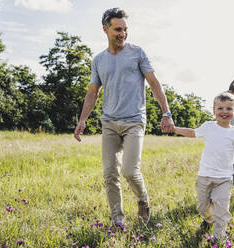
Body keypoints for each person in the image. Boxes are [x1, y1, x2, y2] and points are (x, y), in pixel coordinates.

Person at [74, 8, 174, 225]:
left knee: (129, 170)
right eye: (118, 29)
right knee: (110, 173)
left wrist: (166, 113)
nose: (122, 33)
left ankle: (143, 201)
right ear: (105, 29)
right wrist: (82, 120)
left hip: (134, 121)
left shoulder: (137, 53)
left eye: (125, 29)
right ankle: (117, 220)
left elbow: (154, 84)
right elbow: (92, 93)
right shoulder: (99, 60)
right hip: (109, 122)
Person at [173, 92, 234, 241]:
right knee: (202, 207)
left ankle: (219, 237)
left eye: (228, 109)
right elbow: (193, 133)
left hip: (224, 179)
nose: (224, 112)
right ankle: (208, 219)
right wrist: (174, 129)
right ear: (214, 111)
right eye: (220, 108)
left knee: (221, 210)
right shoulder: (208, 126)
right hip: (204, 176)